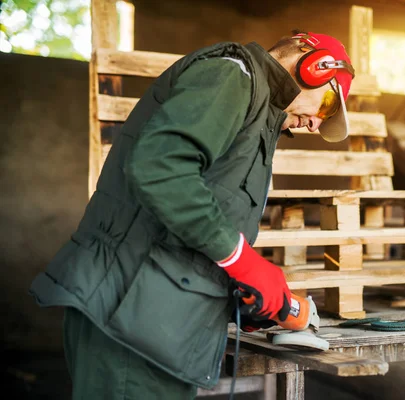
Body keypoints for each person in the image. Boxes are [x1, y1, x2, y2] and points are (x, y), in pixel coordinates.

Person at [29, 30, 354, 399]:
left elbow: (197, 217)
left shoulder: (254, 113)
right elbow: (162, 169)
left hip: (157, 325)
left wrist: (238, 294)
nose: (315, 124)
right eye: (326, 106)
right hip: (127, 319)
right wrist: (244, 262)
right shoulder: (232, 76)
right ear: (313, 65)